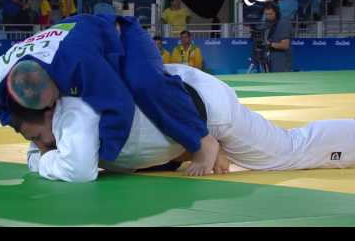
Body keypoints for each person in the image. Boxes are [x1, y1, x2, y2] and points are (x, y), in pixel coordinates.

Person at [21, 63, 355, 182]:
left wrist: (202, 141)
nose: (40, 144)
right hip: (190, 98)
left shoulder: (77, 118)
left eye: (38, 136)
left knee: (288, 152)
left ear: (51, 110)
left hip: (205, 106)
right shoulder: (67, 109)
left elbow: (77, 170)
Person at [0, 14, 214, 174]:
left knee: (144, 82)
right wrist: (17, 123)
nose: (45, 144)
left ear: (52, 105)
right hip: (79, 42)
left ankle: (203, 140)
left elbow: (119, 108)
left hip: (122, 36)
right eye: (34, 139)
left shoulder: (78, 64)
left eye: (40, 137)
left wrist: (100, 158)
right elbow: (1, 111)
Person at [263, 2, 292, 73]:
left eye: (270, 14)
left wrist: (269, 44)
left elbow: (285, 45)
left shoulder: (284, 23)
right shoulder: (267, 23)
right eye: (266, 14)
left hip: (280, 59)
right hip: (269, 57)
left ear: (277, 13)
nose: (268, 16)